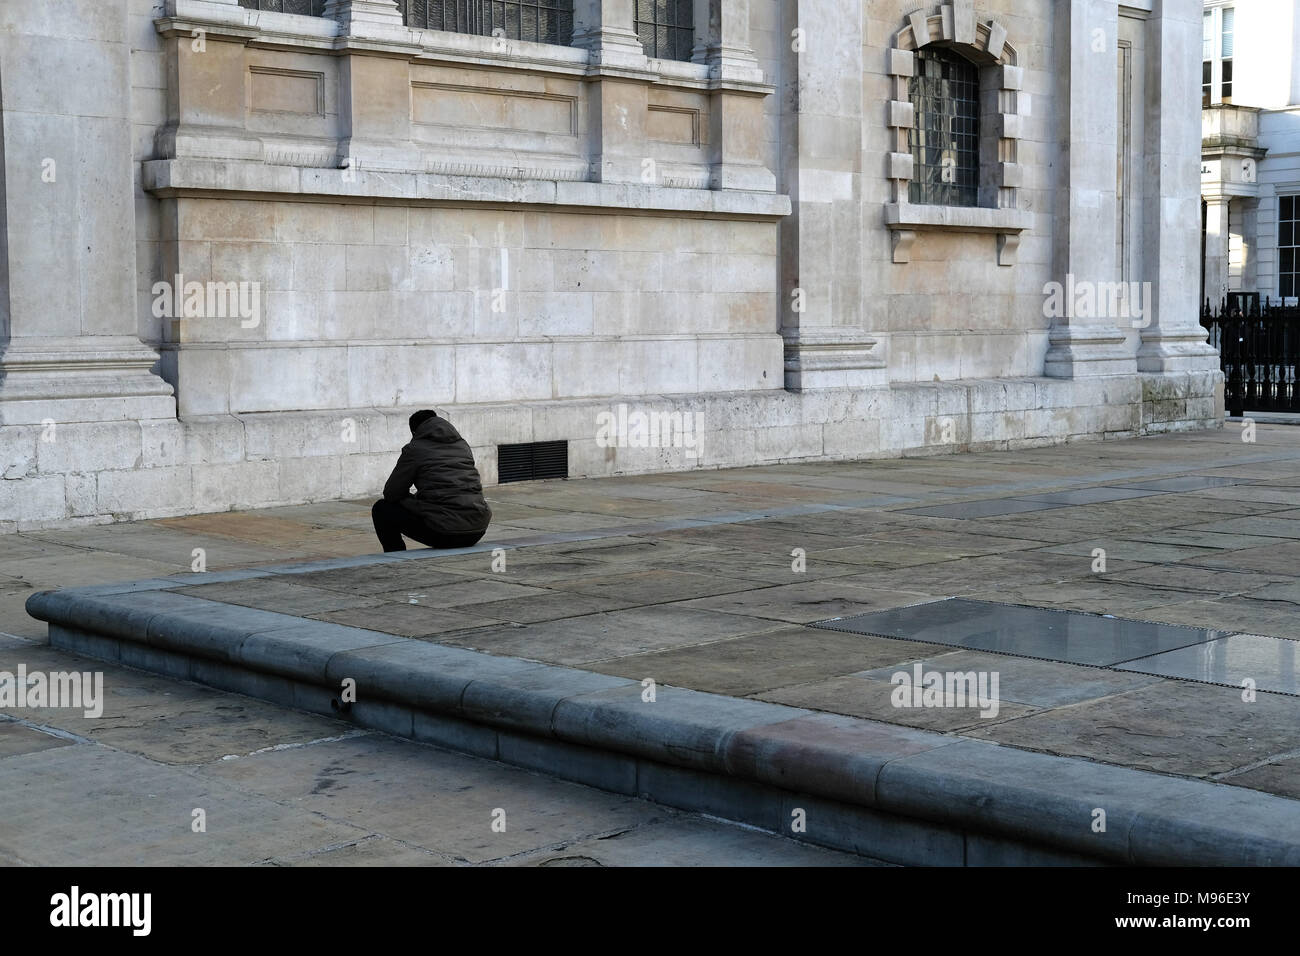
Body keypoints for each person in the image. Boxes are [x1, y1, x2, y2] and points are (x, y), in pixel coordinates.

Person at [371, 409, 492, 552]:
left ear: (416, 432)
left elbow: (392, 492)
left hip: (446, 533)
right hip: (477, 529)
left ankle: (396, 557)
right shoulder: (462, 446)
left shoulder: (415, 449)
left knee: (382, 509)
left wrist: (414, 502)